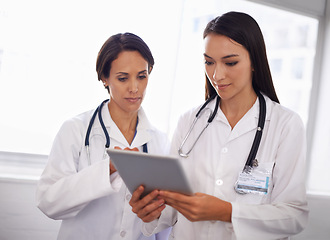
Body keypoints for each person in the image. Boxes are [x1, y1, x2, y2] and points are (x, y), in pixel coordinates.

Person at [129, 12, 309, 239]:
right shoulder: (190, 122)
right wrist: (150, 211)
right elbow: (170, 210)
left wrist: (227, 212)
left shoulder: (285, 125)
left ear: (255, 61)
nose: (217, 75)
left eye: (230, 62)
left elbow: (294, 216)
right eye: (209, 62)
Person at [36, 32, 171, 240]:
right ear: (104, 79)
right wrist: (107, 170)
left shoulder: (160, 141)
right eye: (123, 78)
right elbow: (48, 201)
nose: (134, 88)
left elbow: (164, 222)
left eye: (142, 76)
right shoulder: (76, 130)